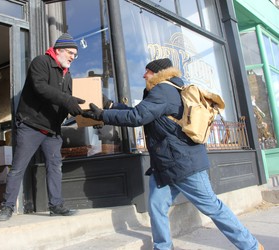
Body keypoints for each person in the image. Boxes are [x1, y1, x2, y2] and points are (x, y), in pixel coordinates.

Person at [82, 58, 264, 250]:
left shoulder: (163, 90)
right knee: (156, 206)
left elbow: (138, 116)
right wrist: (112, 107)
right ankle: (162, 247)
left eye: (147, 71)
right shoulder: (168, 90)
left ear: (158, 73)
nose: (144, 75)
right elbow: (143, 112)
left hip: (183, 164)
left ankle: (251, 246)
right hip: (166, 164)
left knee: (213, 207)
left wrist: (102, 115)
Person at [0, 33, 85, 221]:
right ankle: (7, 207)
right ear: (58, 50)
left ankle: (56, 206)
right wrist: (67, 100)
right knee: (19, 167)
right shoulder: (41, 62)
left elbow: (65, 102)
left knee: (55, 167)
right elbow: (41, 88)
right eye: (70, 53)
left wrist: (84, 112)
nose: (72, 57)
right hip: (31, 125)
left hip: (52, 130)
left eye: (75, 55)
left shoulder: (67, 76)